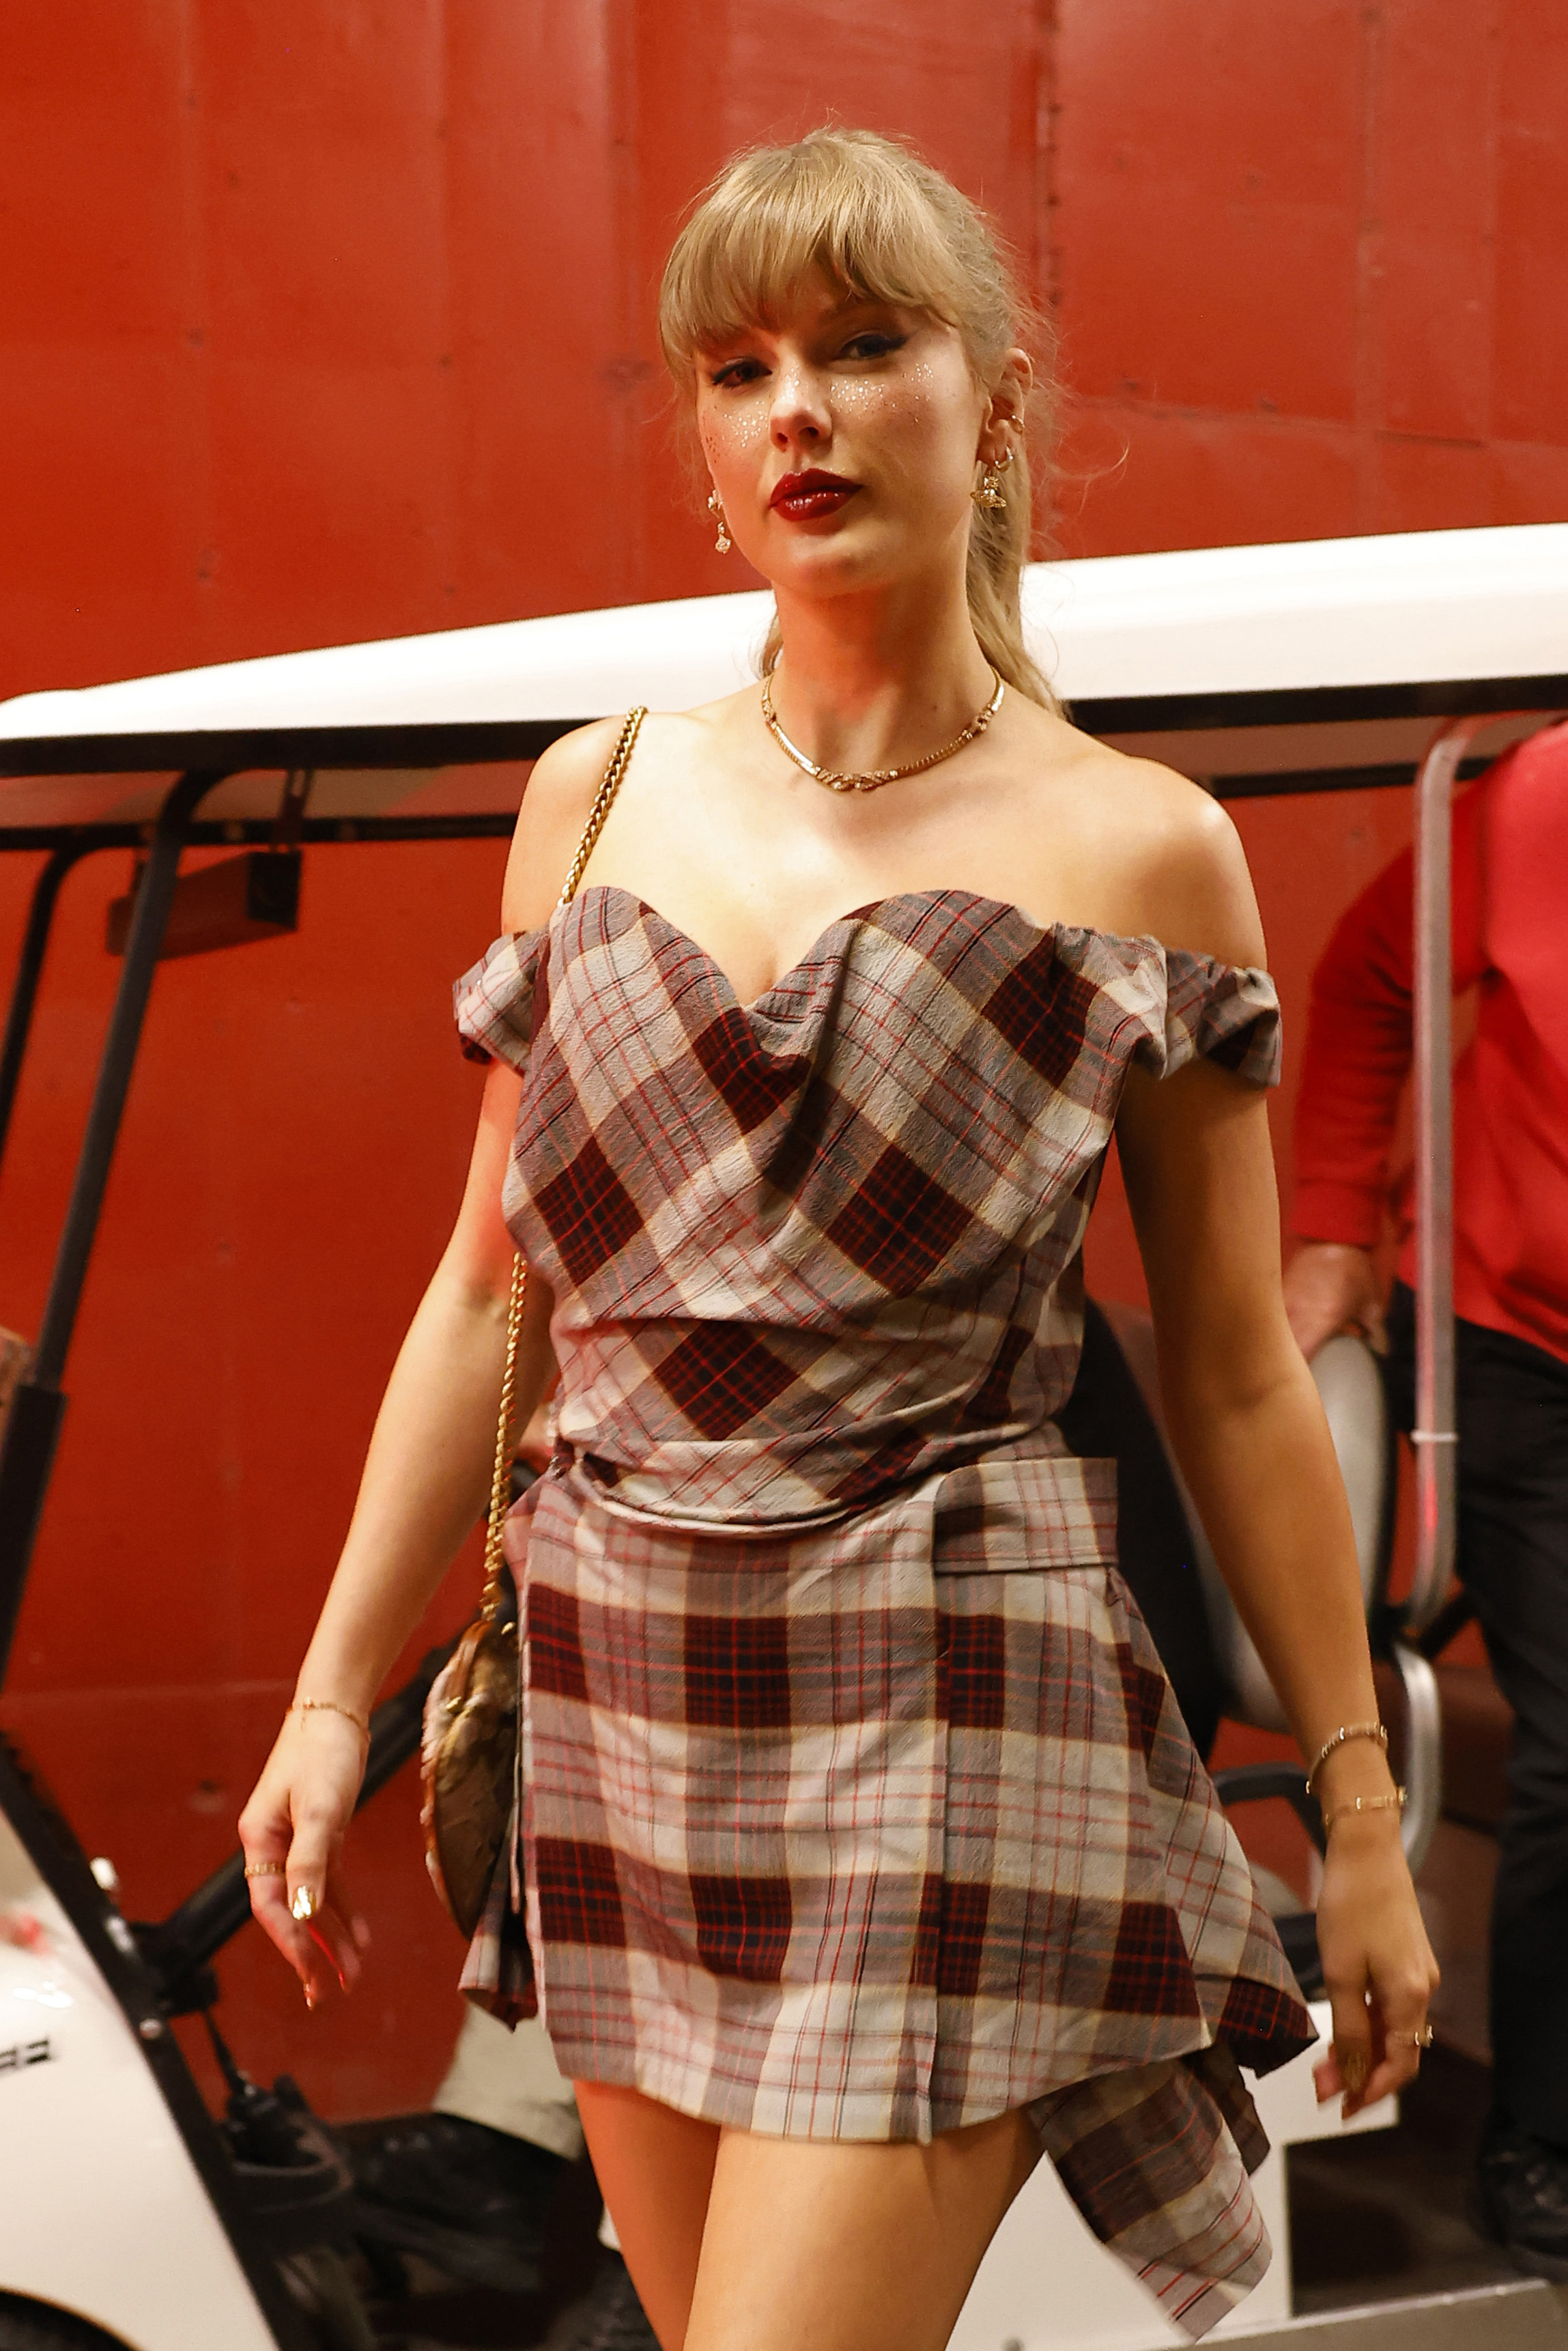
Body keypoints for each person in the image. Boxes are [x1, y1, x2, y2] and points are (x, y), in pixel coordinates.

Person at [241, 128, 1436, 2351]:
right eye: (738, 362)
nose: (792, 404)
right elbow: (488, 1285)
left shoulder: (1136, 845)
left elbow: (1236, 1366)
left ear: (987, 406)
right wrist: (331, 1687)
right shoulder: (591, 793)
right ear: (704, 438)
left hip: (948, 1691)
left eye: (860, 344)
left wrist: (1353, 1808)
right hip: (620, 1687)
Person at [1284, 718, 1568, 2279]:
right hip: (1521, 1340)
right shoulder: (1534, 801)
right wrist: (1334, 1217)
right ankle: (1540, 2139)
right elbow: (1369, 973)